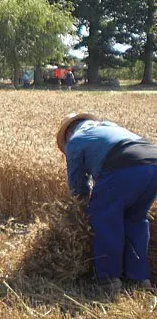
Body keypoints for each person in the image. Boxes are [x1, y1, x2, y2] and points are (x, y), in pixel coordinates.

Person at [57, 113, 157, 295]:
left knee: (104, 218)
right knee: (135, 219)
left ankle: (108, 280)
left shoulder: (75, 141)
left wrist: (81, 207)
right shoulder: (109, 127)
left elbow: (77, 184)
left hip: (123, 165)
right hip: (153, 163)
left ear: (68, 133)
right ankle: (139, 279)